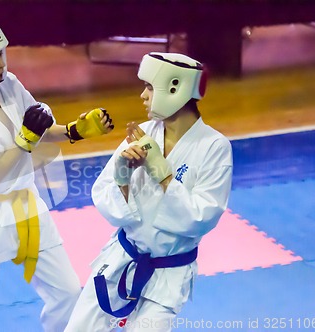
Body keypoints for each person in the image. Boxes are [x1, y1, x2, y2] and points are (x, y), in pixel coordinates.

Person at [0, 16, 114, 331]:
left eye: (1, 52)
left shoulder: (9, 85)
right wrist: (24, 142)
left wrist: (74, 130)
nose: (1, 62)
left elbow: (35, 128)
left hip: (25, 206)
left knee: (68, 293)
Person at [65, 52, 233, 331]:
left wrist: (162, 172)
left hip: (168, 275)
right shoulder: (143, 132)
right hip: (120, 259)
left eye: (150, 87)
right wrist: (122, 174)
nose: (143, 95)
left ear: (175, 88)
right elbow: (106, 197)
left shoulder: (214, 147)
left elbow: (202, 217)